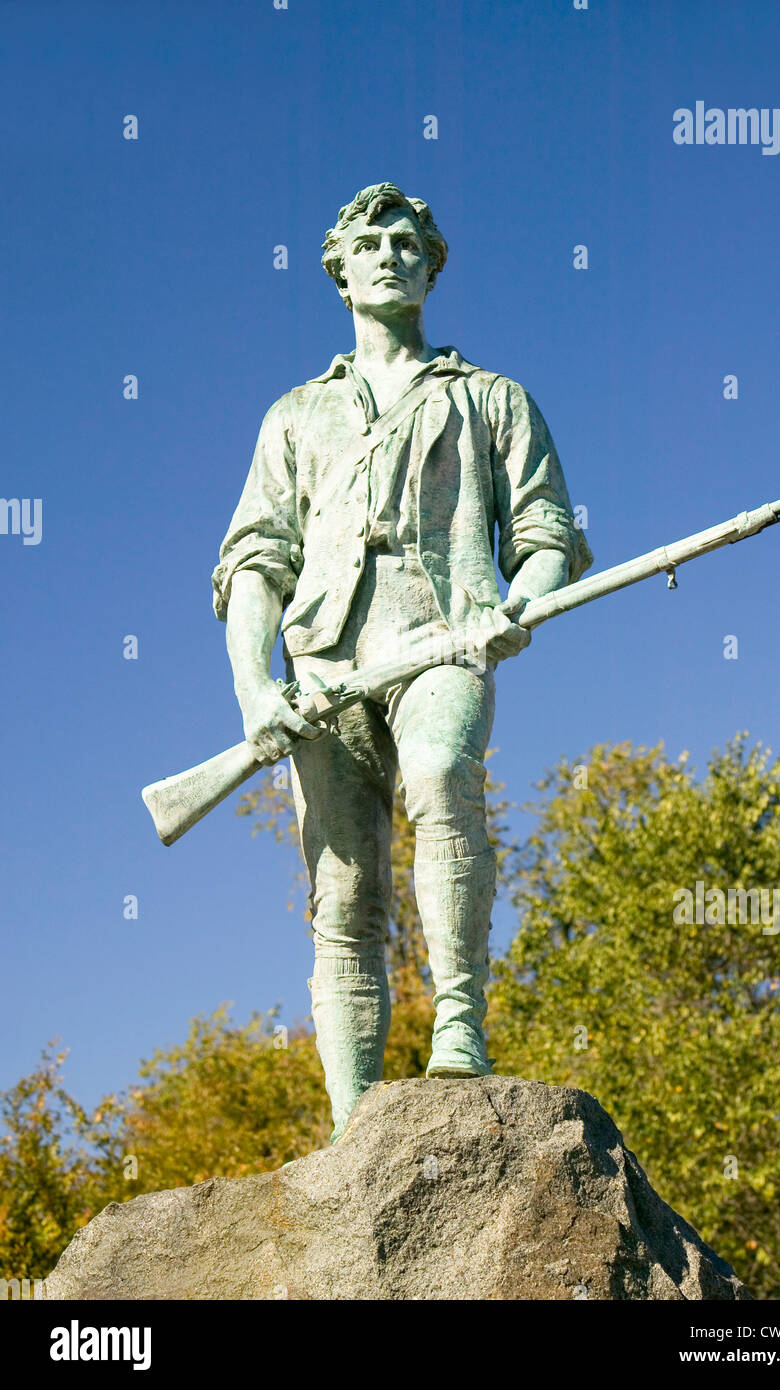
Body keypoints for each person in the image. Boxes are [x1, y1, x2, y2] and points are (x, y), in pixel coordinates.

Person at [212, 183, 592, 1140]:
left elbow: (546, 529)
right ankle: (351, 1130)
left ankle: (459, 1028)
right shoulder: (294, 416)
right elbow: (255, 560)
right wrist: (255, 688)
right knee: (342, 893)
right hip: (327, 665)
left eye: (407, 241)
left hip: (443, 641)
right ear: (338, 270)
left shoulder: (492, 399)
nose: (389, 254)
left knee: (441, 775)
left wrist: (516, 603)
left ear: (433, 264)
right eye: (369, 242)